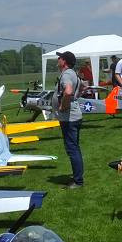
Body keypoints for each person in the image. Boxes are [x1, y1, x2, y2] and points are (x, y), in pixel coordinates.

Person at [54, 51, 84, 188]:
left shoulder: (66, 74)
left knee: (72, 149)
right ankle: (77, 176)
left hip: (69, 118)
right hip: (74, 116)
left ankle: (78, 181)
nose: (58, 59)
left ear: (64, 61)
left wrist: (63, 106)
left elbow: (68, 91)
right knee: (74, 148)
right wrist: (75, 99)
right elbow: (83, 85)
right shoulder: (73, 73)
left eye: (59, 58)